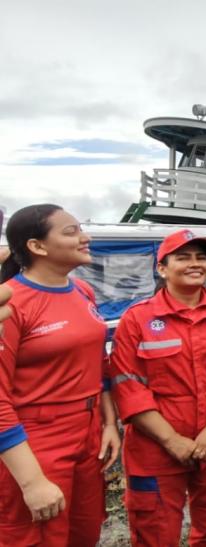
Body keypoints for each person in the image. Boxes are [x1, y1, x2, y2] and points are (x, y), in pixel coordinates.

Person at [110, 229, 206, 546]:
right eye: (183, 257)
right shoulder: (137, 320)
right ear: (162, 268)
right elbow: (127, 387)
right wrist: (171, 440)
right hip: (155, 452)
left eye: (201, 257)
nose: (195, 264)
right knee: (155, 535)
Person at [0, 204, 120, 546]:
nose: (86, 237)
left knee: (85, 532)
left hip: (87, 432)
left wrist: (109, 423)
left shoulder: (84, 292)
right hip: (36, 438)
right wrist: (31, 481)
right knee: (39, 536)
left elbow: (98, 362)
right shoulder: (11, 304)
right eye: (71, 232)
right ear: (37, 246)